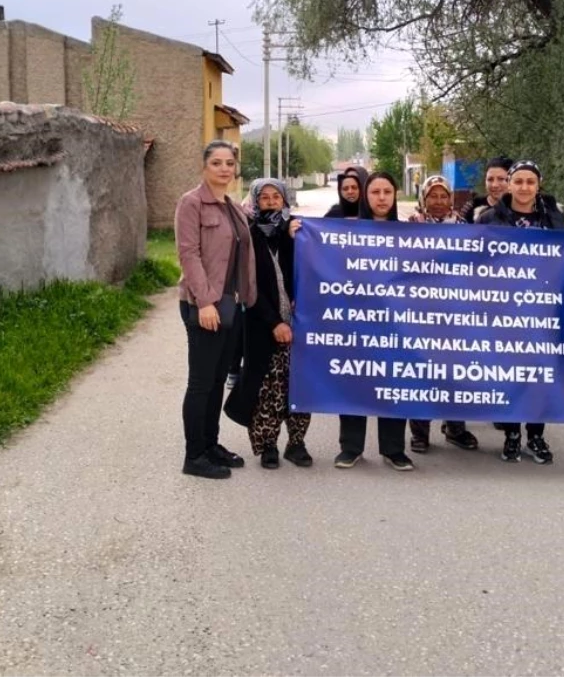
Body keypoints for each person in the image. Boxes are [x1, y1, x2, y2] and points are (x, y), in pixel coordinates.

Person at [478, 160, 564, 464]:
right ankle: (512, 434)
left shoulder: (554, 219)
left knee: (540, 373)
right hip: (503, 311)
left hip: (543, 312)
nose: (524, 187)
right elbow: (471, 260)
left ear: (538, 185)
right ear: (509, 184)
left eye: (530, 182)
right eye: (518, 181)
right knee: (510, 372)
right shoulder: (490, 218)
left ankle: (536, 434)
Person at [175, 140, 257, 479]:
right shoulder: (191, 203)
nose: (224, 168)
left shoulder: (233, 206)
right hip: (205, 305)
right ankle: (194, 455)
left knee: (218, 379)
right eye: (217, 163)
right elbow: (188, 255)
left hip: (230, 304)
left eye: (229, 163)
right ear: (204, 167)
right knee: (201, 383)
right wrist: (206, 301)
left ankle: (211, 445)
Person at [224, 179, 313, 469]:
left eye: (277, 196)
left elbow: (314, 271)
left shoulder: (297, 235)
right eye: (265, 197)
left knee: (299, 385)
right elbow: (250, 287)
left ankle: (296, 443)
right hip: (263, 325)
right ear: (256, 202)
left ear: (285, 201)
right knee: (266, 387)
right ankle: (268, 445)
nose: (272, 201)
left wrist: (293, 237)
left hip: (299, 325)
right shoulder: (248, 236)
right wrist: (275, 322)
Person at [334, 171, 416, 472]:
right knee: (356, 381)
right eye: (375, 192)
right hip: (358, 320)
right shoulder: (347, 231)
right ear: (366, 197)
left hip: (398, 324)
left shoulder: (410, 234)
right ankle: (351, 447)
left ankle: (394, 449)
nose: (381, 198)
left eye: (387, 192)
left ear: (394, 197)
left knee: (395, 384)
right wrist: (295, 228)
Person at [406, 175, 480, 453]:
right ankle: (420, 433)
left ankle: (455, 428)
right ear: (424, 198)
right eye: (432, 196)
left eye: (443, 196)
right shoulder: (410, 227)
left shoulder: (464, 228)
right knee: (420, 371)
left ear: (451, 199)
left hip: (455, 313)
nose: (438, 201)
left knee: (455, 371)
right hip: (419, 314)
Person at [458, 156, 514, 223]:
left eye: (501, 179)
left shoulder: (520, 206)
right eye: (490, 179)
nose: (494, 185)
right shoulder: (472, 207)